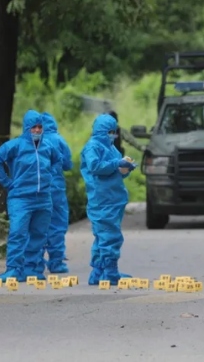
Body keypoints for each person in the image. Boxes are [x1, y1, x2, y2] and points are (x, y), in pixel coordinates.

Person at [0, 110, 64, 281]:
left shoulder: (47, 146)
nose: (37, 130)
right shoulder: (15, 145)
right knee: (18, 232)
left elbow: (58, 159)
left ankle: (33, 269)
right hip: (21, 198)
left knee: (39, 234)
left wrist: (50, 175)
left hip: (44, 198)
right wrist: (7, 183)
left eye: (40, 127)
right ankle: (14, 269)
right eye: (33, 127)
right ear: (26, 128)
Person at [81, 114, 137, 285]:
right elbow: (95, 167)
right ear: (100, 131)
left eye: (114, 131)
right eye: (109, 132)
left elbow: (115, 173)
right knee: (109, 236)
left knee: (102, 236)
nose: (113, 135)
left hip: (113, 198)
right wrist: (117, 164)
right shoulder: (93, 147)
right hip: (102, 199)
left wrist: (125, 169)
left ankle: (98, 272)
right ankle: (110, 272)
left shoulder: (111, 148)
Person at [36, 112, 73, 274]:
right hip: (56, 189)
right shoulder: (59, 140)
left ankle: (35, 262)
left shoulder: (34, 140)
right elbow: (67, 165)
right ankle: (56, 262)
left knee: (37, 224)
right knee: (57, 224)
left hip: (37, 188)